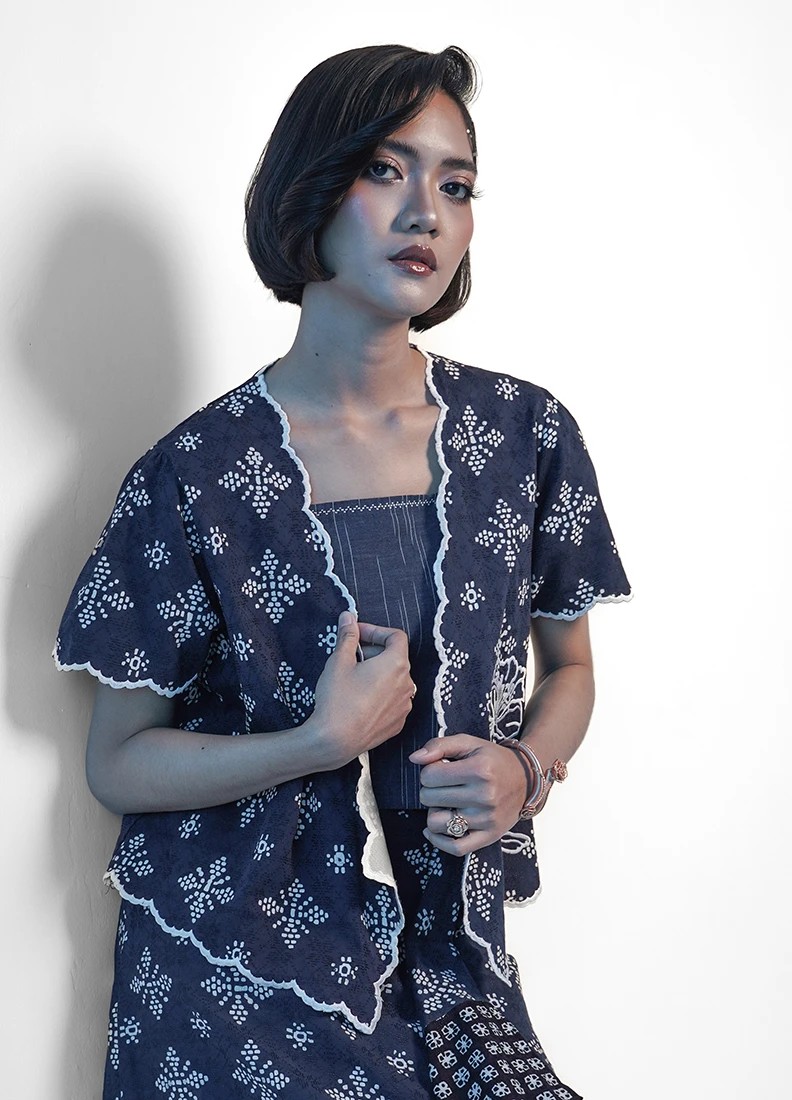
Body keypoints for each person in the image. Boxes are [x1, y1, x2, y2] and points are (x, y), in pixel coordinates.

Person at [54, 44, 630, 1099]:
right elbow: (119, 761)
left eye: (456, 185)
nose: (426, 213)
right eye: (384, 169)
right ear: (308, 187)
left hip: (454, 961)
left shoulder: (526, 436)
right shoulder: (194, 473)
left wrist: (526, 770)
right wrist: (317, 742)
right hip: (234, 982)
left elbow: (573, 667)